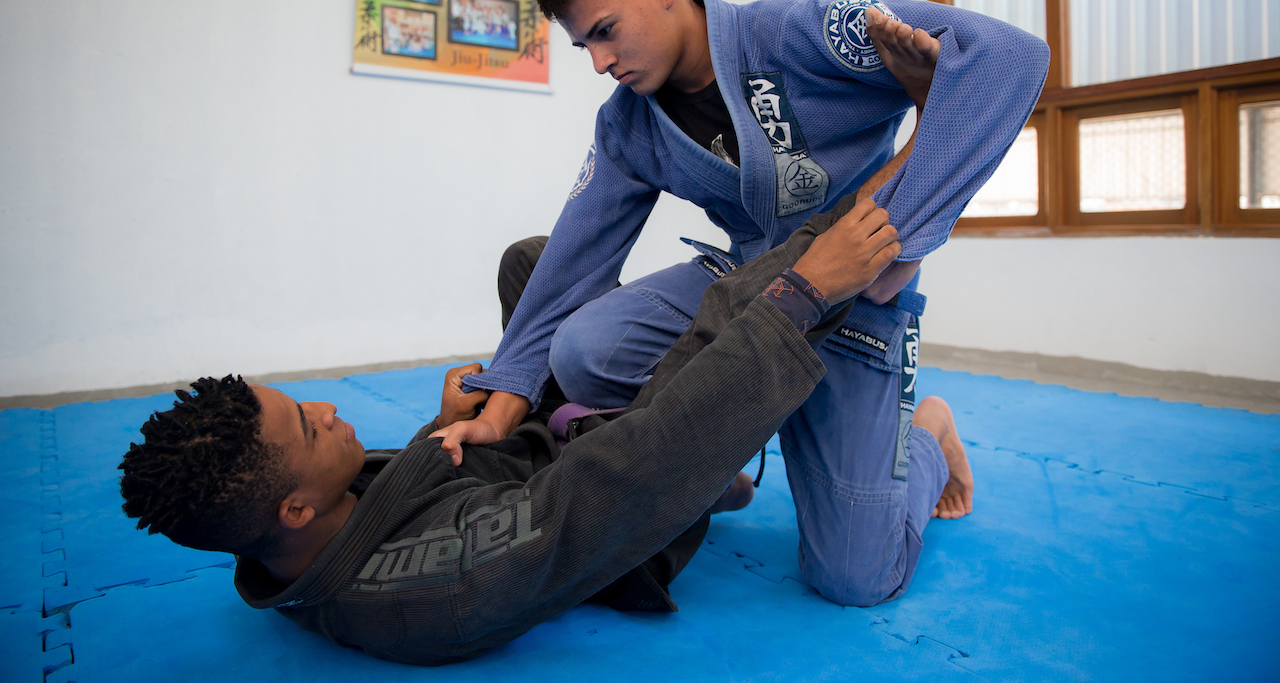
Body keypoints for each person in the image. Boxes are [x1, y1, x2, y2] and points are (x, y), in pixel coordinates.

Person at [453, 0, 1047, 606]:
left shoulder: (797, 33)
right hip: (742, 294)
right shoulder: (628, 124)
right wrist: (502, 399)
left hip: (854, 310)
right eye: (585, 46)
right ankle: (707, 466)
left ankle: (926, 432)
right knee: (583, 348)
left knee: (856, 578)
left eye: (606, 31)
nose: (601, 62)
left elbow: (1010, 57)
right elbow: (572, 255)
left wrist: (897, 236)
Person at [118, 195, 970, 665]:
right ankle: (909, 404)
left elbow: (398, 499)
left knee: (530, 263)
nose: (331, 410)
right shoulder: (436, 589)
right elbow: (630, 470)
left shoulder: (290, 534)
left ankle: (765, 324)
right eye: (311, 425)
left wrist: (449, 424)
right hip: (619, 489)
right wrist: (799, 292)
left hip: (540, 450)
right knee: (762, 318)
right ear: (295, 506)